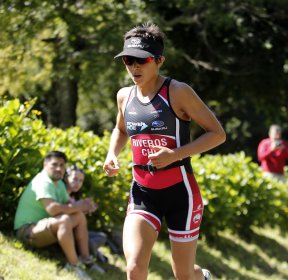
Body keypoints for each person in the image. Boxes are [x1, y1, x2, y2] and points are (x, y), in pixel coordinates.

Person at [103, 23, 226, 280]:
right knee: (135, 268)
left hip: (181, 194)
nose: (134, 67)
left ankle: (201, 277)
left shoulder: (178, 92)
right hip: (142, 193)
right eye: (128, 60)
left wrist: (175, 155)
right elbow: (121, 130)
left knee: (182, 274)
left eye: (141, 60)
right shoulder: (124, 96)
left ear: (159, 61)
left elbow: (217, 134)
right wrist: (112, 153)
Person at [14, 151, 102, 280]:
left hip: (43, 227)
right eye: (54, 164)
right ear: (45, 164)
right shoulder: (43, 181)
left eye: (62, 165)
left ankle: (86, 259)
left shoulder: (59, 184)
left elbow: (69, 206)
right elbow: (52, 209)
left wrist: (85, 205)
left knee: (78, 216)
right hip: (26, 230)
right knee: (64, 220)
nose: (59, 168)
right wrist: (77, 206)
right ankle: (73, 265)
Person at [65, 165, 120, 265]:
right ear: (66, 178)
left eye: (81, 181)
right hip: (68, 233)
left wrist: (86, 210)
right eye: (75, 179)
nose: (77, 183)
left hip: (76, 231)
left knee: (101, 236)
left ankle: (95, 255)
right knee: (95, 239)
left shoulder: (74, 196)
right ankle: (95, 256)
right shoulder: (62, 193)